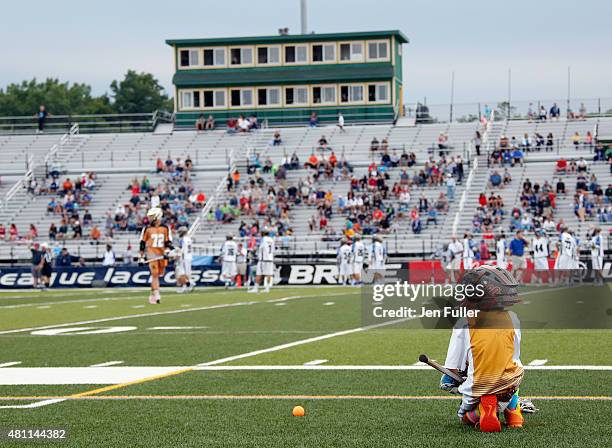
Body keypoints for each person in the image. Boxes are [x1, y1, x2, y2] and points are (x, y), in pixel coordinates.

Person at [440, 265, 525, 432]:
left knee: (464, 417)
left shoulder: (464, 321)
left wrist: (450, 381)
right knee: (514, 368)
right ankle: (513, 411)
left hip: (478, 387)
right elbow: (514, 357)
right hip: (510, 386)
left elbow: (451, 370)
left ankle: (483, 410)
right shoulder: (513, 318)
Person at [139, 207, 175, 304]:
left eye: (151, 217)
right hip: (152, 254)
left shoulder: (165, 228)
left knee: (159, 274)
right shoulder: (147, 229)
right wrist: (141, 257)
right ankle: (157, 295)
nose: (149, 219)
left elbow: (168, 242)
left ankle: (152, 294)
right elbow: (142, 243)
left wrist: (169, 250)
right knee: (154, 274)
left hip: (161, 254)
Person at [249, 229, 275, 293]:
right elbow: (273, 250)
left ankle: (256, 288)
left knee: (259, 274)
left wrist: (253, 253)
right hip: (270, 259)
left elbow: (258, 247)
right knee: (269, 274)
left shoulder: (263, 239)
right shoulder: (271, 240)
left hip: (263, 259)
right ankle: (267, 288)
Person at [176, 227, 194, 293]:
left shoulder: (183, 239)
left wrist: (177, 255)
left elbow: (181, 250)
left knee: (182, 273)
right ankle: (187, 285)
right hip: (189, 257)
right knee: (186, 273)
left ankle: (189, 283)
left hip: (184, 257)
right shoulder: (189, 239)